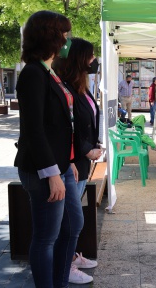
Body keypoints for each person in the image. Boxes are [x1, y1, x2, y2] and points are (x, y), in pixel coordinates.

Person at [13, 10, 84, 287]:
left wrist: (69, 160)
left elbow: (59, 126)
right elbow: (34, 129)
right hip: (44, 170)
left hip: (61, 166)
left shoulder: (48, 71)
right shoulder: (33, 73)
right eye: (64, 33)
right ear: (50, 36)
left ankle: (60, 280)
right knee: (46, 238)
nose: (68, 39)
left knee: (72, 227)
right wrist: (51, 172)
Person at [53, 37, 102, 284]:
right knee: (70, 221)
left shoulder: (81, 85)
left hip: (82, 160)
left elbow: (89, 119)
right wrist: (85, 151)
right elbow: (68, 129)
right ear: (79, 58)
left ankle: (71, 257)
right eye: (91, 56)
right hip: (74, 161)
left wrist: (94, 146)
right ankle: (66, 264)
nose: (94, 61)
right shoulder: (65, 87)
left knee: (72, 218)